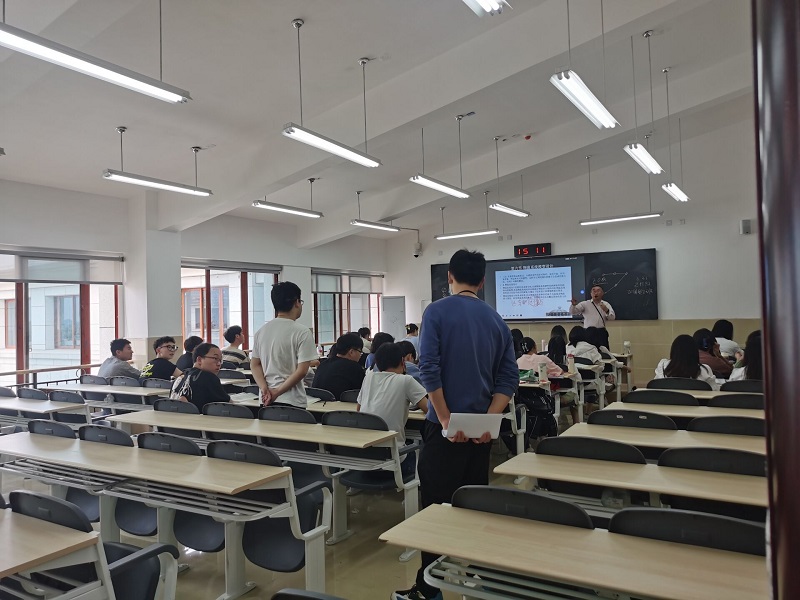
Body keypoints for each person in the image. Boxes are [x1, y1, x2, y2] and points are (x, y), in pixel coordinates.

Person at [394, 249, 518, 600]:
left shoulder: (436, 311)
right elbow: (508, 378)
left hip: (444, 430)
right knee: (473, 505)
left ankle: (429, 589)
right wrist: (488, 420)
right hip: (480, 435)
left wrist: (446, 418)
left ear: (450, 277)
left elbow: (429, 368)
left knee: (435, 509)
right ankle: (478, 580)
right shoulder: (496, 320)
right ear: (482, 281)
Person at [251, 282, 319, 408]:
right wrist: (277, 392)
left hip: (265, 401)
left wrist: (264, 389)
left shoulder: (261, 331)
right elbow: (302, 371)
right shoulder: (302, 332)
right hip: (292, 401)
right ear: (297, 302)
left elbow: (254, 365)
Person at [358, 343, 428, 445]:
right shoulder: (405, 380)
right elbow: (429, 410)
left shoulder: (369, 377)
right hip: (393, 449)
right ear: (403, 361)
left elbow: (359, 409)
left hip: (366, 445)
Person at [170, 343, 230, 411]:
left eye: (220, 360)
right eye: (215, 358)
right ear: (199, 360)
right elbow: (228, 405)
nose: (219, 364)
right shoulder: (209, 378)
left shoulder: (181, 376)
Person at [311, 333, 366, 400]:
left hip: (316, 405)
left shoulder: (323, 364)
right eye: (360, 352)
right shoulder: (354, 368)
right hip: (342, 405)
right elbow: (363, 393)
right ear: (351, 352)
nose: (360, 355)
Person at [654, 334, 719, 390]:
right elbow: (715, 391)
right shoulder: (704, 370)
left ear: (673, 351)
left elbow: (654, 386)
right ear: (695, 352)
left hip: (666, 400)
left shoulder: (663, 366)